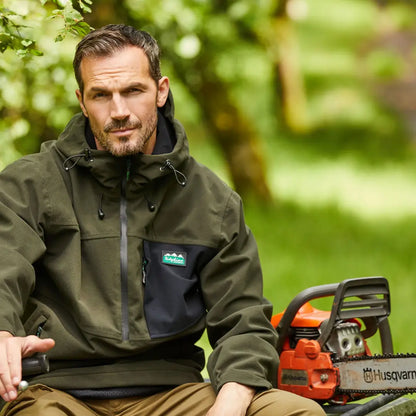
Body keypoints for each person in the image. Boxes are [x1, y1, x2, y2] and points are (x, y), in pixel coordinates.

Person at [0, 24, 324, 416]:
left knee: (294, 412)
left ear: (161, 90)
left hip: (174, 393)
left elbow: (244, 322)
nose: (119, 111)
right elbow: (4, 267)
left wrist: (232, 402)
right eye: (101, 95)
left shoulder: (210, 200)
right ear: (82, 102)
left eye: (133, 91)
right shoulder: (30, 184)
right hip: (58, 391)